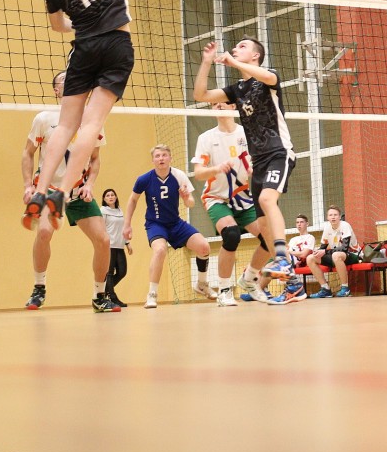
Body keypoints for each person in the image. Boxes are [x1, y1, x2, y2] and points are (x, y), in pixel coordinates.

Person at [22, 0, 134, 232]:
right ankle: (62, 193)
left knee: (65, 125)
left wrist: (76, 23)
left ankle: (41, 190)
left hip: (84, 48)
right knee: (91, 124)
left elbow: (58, 27)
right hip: (117, 44)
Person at [193, 37, 303, 306]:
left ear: (255, 56)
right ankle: (255, 278)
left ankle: (282, 259)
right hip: (259, 161)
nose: (236, 49)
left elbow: (267, 77)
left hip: (278, 152)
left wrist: (231, 62)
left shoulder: (269, 77)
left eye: (242, 46)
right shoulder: (237, 90)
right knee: (264, 228)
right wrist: (206, 63)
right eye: (235, 47)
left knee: (267, 199)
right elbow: (201, 95)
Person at [21, 71, 119, 312]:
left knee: (104, 240)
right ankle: (39, 288)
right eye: (62, 80)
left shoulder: (93, 119)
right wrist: (28, 185)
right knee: (44, 232)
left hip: (77, 192)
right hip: (50, 190)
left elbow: (95, 158)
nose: (69, 80)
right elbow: (28, 153)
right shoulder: (44, 118)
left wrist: (90, 185)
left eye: (71, 77)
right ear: (56, 91)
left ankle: (99, 296)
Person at [191, 101, 274, 307]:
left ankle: (249, 278)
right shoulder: (206, 138)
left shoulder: (247, 133)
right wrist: (216, 168)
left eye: (223, 103)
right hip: (216, 198)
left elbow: (258, 162)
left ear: (233, 107)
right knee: (231, 235)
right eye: (214, 104)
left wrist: (256, 171)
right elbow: (199, 173)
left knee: (270, 238)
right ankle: (225, 290)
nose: (218, 106)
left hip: (244, 197)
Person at [124, 145, 211, 309]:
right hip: (155, 224)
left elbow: (191, 203)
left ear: (170, 158)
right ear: (153, 160)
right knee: (160, 250)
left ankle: (201, 284)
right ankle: (152, 295)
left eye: (164, 155)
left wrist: (185, 197)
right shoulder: (144, 179)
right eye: (157, 156)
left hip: (175, 223)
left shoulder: (179, 175)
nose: (161, 158)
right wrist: (127, 224)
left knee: (204, 247)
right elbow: (133, 200)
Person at [306, 206, 360, 298]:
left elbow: (344, 248)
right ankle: (325, 289)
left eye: (335, 215)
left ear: (339, 217)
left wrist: (325, 251)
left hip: (353, 254)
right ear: (327, 217)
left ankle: (345, 288)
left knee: (336, 255)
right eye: (331, 215)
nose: (333, 217)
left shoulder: (345, 225)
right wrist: (317, 252)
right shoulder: (327, 227)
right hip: (335, 255)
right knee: (310, 258)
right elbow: (323, 247)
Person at [100, 188, 132, 307]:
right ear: (104, 199)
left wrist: (127, 243)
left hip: (119, 245)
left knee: (122, 272)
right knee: (109, 273)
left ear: (116, 197)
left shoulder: (120, 211)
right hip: (109, 246)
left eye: (112, 195)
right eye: (107, 195)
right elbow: (101, 228)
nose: (110, 197)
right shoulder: (103, 210)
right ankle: (112, 297)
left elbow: (124, 228)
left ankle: (103, 291)